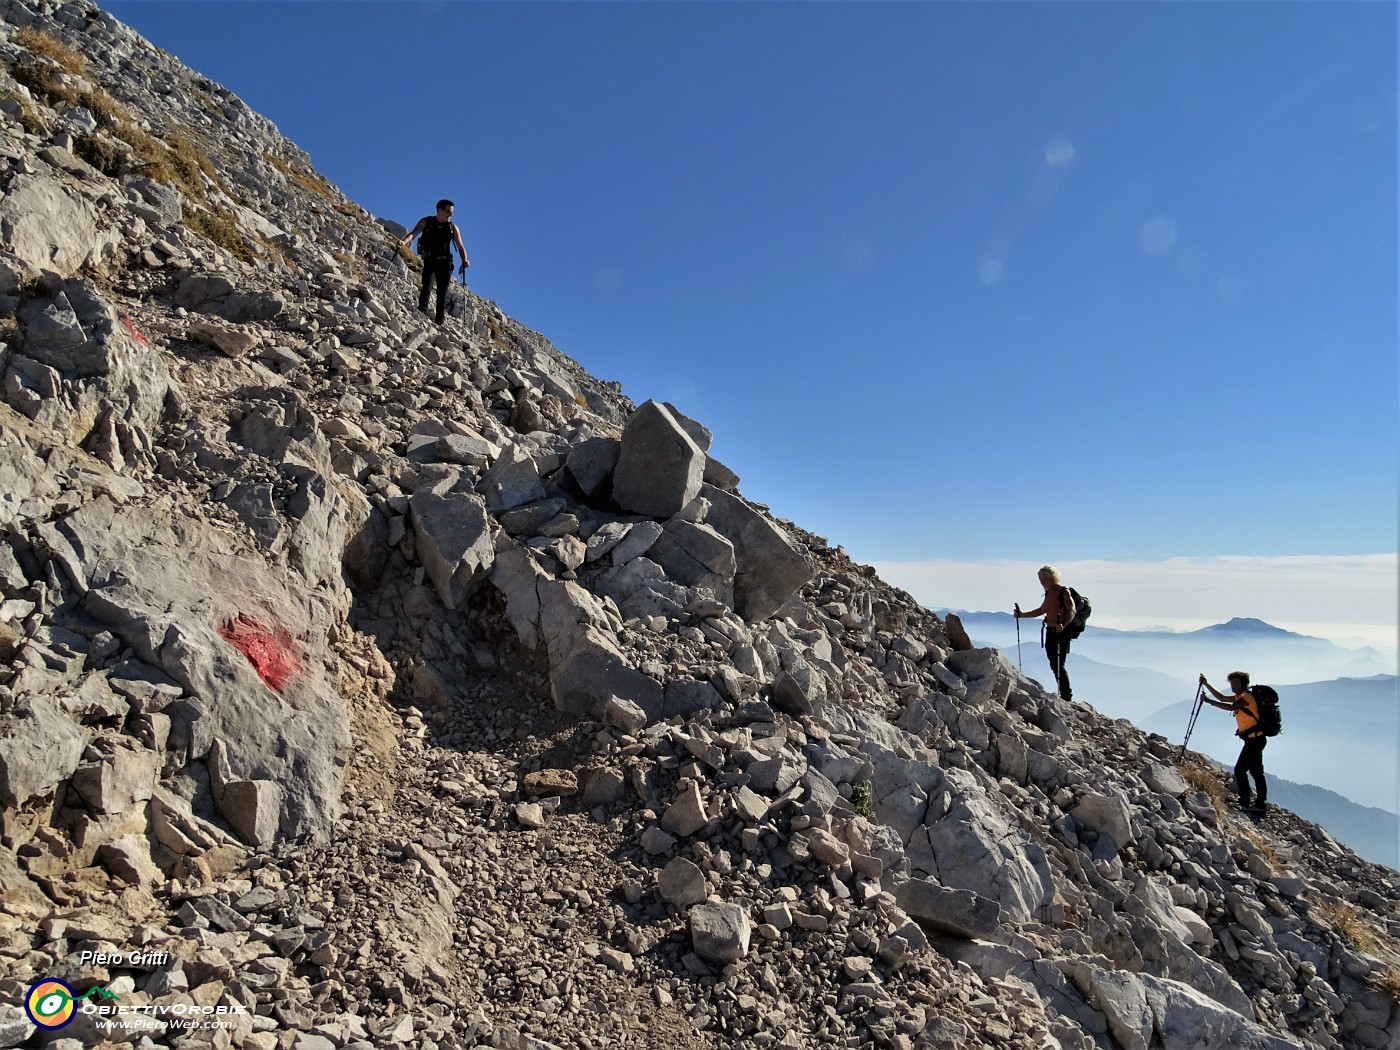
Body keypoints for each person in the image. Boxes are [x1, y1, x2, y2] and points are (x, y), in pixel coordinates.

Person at [1200, 671, 1267, 814]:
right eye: (1232, 683)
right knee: (1256, 772)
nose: (1233, 686)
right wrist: (1206, 684)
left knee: (1240, 770)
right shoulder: (1240, 696)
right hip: (1255, 739)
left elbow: (1230, 707)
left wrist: (1208, 701)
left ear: (1243, 684)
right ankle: (1260, 804)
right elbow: (1223, 697)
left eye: (1236, 683)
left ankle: (1246, 802)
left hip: (1254, 740)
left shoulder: (1245, 697)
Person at [398, 199, 470, 324]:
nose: (451, 214)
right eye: (448, 211)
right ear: (440, 210)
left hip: (445, 263)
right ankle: (421, 315)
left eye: (452, 212)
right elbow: (413, 234)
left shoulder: (452, 227)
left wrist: (465, 260)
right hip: (430, 260)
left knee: (442, 292)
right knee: (427, 286)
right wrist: (403, 242)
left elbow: (460, 246)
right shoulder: (427, 222)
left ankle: (439, 322)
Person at [1013, 565, 1076, 701]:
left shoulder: (1063, 592)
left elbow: (1072, 611)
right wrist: (1022, 615)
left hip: (1061, 632)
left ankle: (1066, 696)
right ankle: (1064, 695)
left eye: (1044, 580)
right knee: (1054, 663)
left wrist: (1063, 625)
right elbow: (1042, 610)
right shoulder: (1049, 593)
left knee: (1059, 664)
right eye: (1040, 580)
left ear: (1052, 578)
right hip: (1051, 631)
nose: (1042, 583)